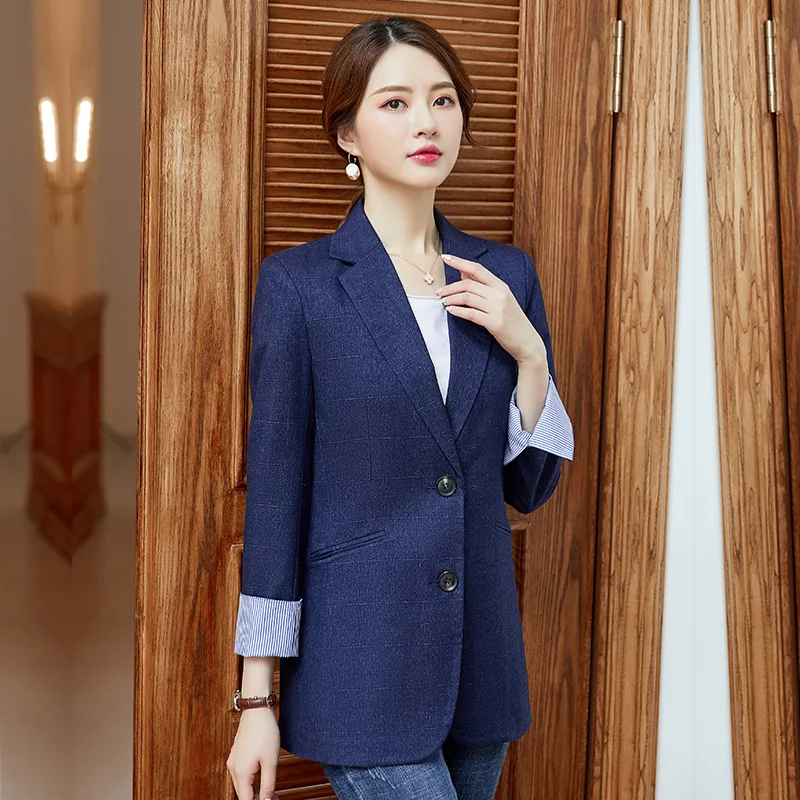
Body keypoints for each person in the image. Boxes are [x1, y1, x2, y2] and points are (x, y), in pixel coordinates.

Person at [226, 16, 575, 800]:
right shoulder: (301, 287)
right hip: (360, 673)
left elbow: (530, 488)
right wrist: (257, 700)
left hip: (481, 672)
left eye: (443, 100)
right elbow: (276, 501)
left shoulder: (505, 278)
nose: (427, 121)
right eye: (395, 103)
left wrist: (531, 355)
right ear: (347, 133)